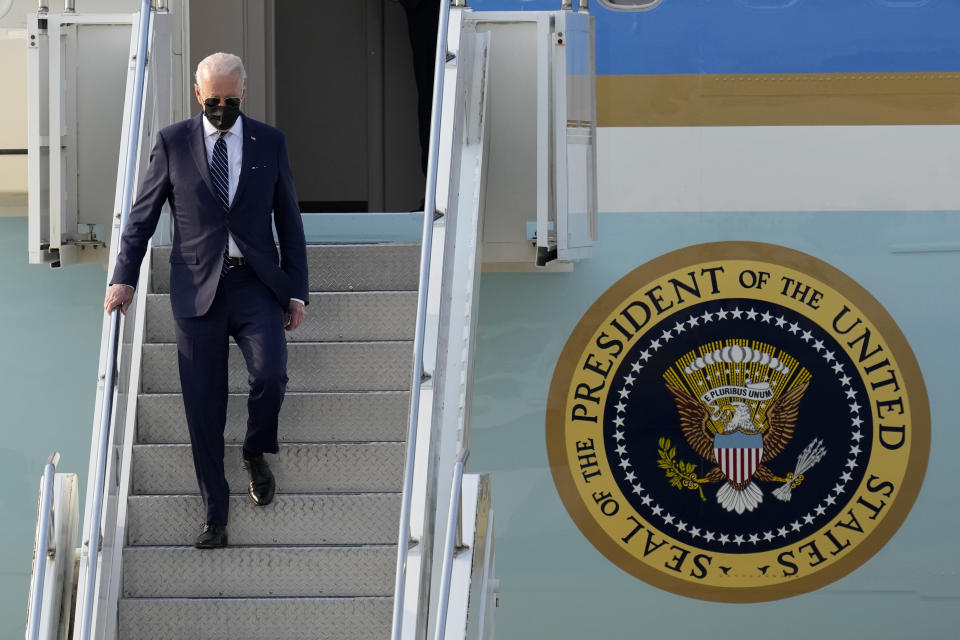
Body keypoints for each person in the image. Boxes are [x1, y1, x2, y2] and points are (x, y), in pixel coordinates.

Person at [103, 52, 308, 549]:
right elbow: (142, 216)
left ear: (244, 93)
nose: (221, 108)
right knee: (203, 406)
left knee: (270, 373)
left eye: (230, 100)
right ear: (198, 95)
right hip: (196, 291)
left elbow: (290, 221)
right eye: (212, 100)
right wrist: (123, 277)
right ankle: (216, 515)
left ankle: (256, 449)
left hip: (256, 286)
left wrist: (296, 289)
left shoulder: (269, 142)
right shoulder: (173, 142)